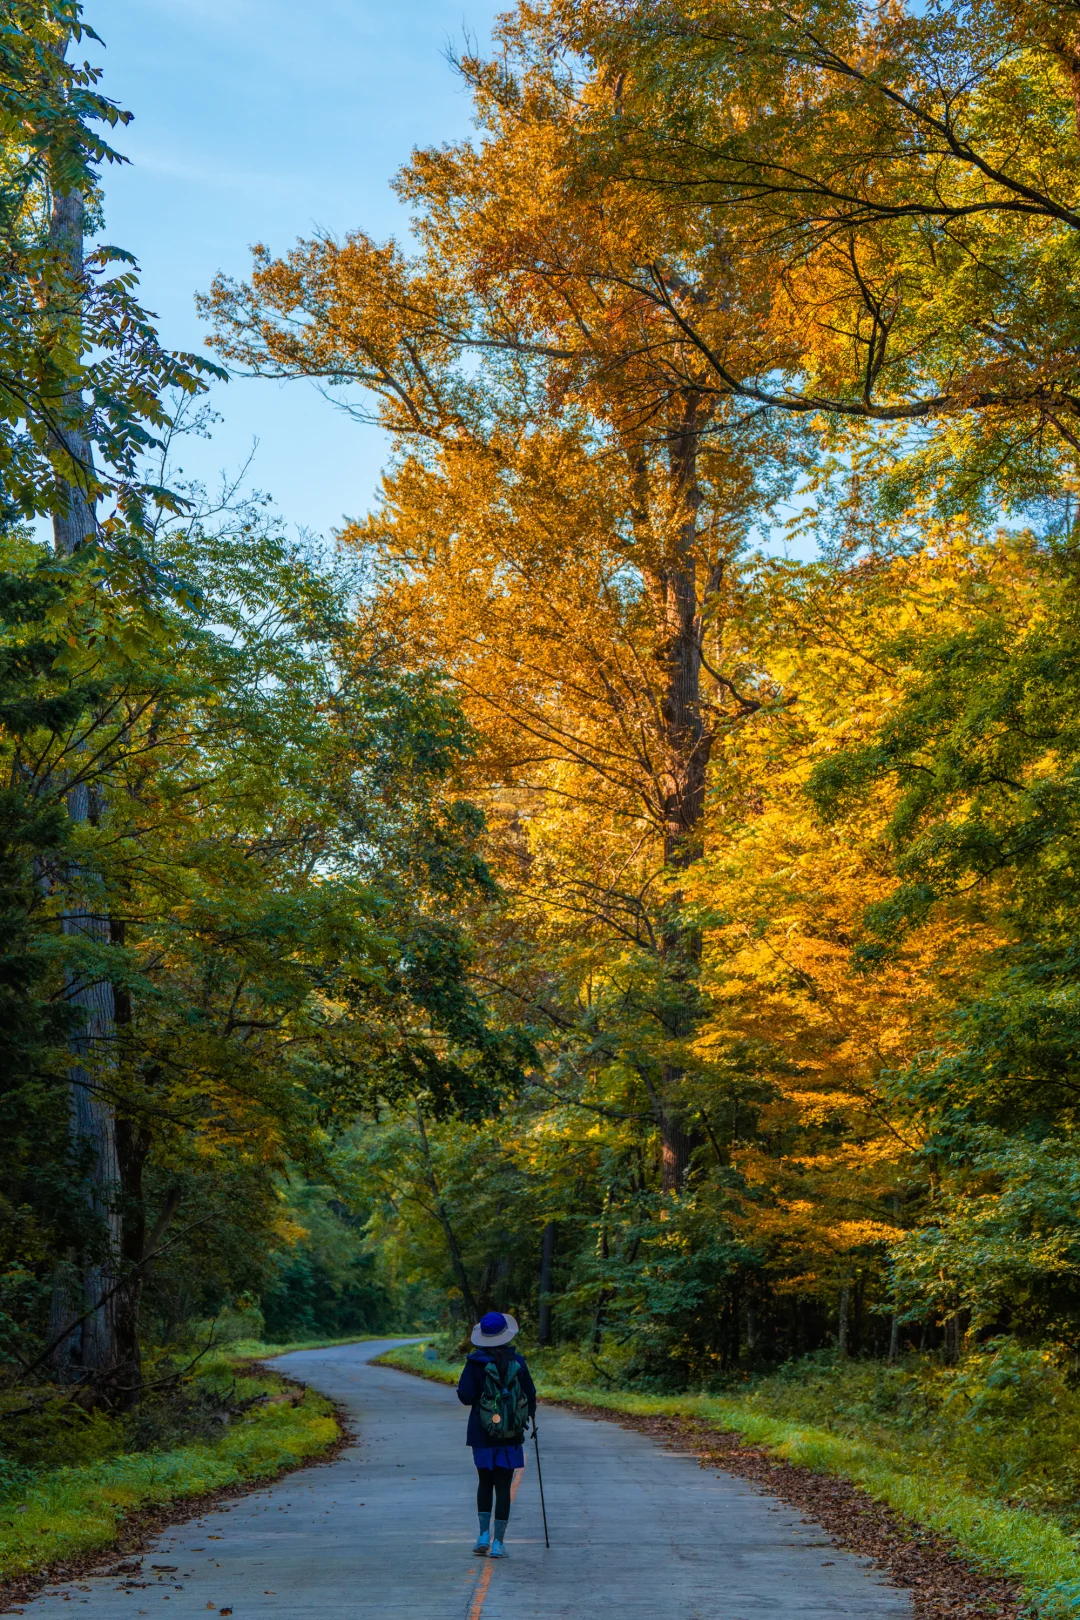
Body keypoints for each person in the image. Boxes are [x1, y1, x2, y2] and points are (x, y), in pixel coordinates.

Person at [456, 1310, 537, 1559]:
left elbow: (465, 1396)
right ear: (506, 1334)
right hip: (510, 1434)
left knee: (484, 1482)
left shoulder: (474, 1364)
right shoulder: (519, 1362)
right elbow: (530, 1397)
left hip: (482, 1433)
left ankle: (482, 1536)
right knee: (503, 1486)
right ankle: (499, 1543)